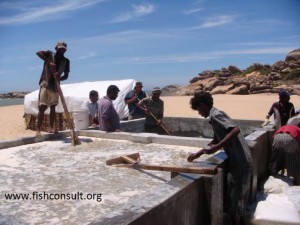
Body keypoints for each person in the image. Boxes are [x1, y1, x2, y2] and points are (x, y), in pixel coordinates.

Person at [187, 91, 253, 225]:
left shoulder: (216, 114)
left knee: (237, 203)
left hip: (241, 162)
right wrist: (199, 153)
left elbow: (235, 130)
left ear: (202, 105)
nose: (199, 113)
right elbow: (217, 139)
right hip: (238, 162)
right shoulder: (214, 117)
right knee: (235, 200)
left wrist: (217, 148)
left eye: (198, 110)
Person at [36, 41, 70, 136]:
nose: (62, 51)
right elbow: (38, 53)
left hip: (55, 87)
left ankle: (51, 127)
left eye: (63, 49)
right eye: (60, 49)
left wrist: (59, 77)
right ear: (56, 48)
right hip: (46, 84)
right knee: (42, 107)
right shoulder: (49, 54)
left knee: (53, 107)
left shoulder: (66, 61)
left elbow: (66, 76)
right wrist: (49, 62)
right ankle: (38, 130)